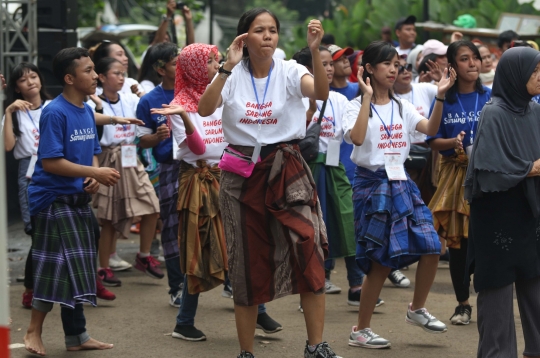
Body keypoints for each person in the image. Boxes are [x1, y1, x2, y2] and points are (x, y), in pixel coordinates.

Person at [198, 8, 340, 358]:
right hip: (242, 173)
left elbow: (319, 92)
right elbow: (204, 109)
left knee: (309, 248)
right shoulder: (230, 74)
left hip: (287, 166)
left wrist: (315, 50)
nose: (267, 36)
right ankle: (246, 352)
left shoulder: (292, 69)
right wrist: (226, 66)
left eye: (272, 30)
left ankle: (315, 346)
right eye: (259, 30)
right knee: (247, 262)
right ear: (244, 38)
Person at [342, 40, 455, 348]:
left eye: (398, 65)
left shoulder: (402, 107)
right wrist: (366, 98)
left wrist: (441, 95)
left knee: (432, 244)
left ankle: (417, 308)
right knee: (380, 261)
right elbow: (357, 137)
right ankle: (360, 329)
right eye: (388, 64)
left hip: (401, 181)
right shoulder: (352, 106)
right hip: (371, 184)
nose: (395, 70)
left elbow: (430, 128)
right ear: (369, 69)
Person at [23, 47, 119, 356]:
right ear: (69, 78)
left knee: (78, 267)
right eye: (88, 71)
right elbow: (50, 162)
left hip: (76, 198)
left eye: (94, 69)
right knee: (55, 268)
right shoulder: (55, 111)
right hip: (51, 199)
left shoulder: (87, 112)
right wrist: (94, 171)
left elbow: (91, 149)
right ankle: (32, 331)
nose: (95, 76)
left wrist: (91, 176)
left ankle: (77, 336)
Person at [464, 46, 540, 358]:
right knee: (496, 289)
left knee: (535, 283)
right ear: (515, 75)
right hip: (497, 212)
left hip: (530, 208)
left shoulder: (534, 109)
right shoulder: (493, 113)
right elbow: (487, 172)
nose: (539, 77)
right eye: (534, 71)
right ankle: (497, 353)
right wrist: (530, 168)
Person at [294, 46, 383, 308]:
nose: (329, 69)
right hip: (307, 171)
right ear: (306, 70)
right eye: (322, 64)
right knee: (311, 231)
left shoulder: (340, 100)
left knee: (349, 222)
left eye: (330, 64)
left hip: (336, 169)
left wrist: (367, 104)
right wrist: (309, 111)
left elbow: (352, 134)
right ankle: (310, 288)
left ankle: (356, 286)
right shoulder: (296, 97)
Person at [427, 40, 491, 326]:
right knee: (458, 244)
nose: (473, 63)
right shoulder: (444, 100)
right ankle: (462, 304)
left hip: (489, 175)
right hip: (455, 177)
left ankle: (490, 300)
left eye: (475, 58)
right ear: (452, 66)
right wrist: (453, 142)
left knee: (488, 238)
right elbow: (433, 141)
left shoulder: (492, 97)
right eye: (465, 59)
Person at [88, 57, 163, 287]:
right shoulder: (93, 103)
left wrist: (141, 95)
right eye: (116, 73)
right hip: (109, 157)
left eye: (123, 73)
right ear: (101, 77)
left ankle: (143, 256)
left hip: (131, 156)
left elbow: (146, 111)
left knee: (152, 206)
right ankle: (102, 268)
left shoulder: (129, 98)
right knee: (109, 217)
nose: (122, 77)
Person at [137, 41, 185, 307]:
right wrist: (157, 136)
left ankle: (226, 281)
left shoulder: (195, 92)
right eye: (175, 63)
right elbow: (142, 141)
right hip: (168, 168)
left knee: (213, 221)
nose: (181, 67)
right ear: (160, 69)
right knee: (171, 228)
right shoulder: (149, 101)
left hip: (199, 167)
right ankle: (177, 286)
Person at [3, 63, 52, 309]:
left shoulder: (53, 107)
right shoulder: (14, 112)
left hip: (55, 168)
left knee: (56, 227)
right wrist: (10, 112)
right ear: (17, 88)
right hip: (28, 173)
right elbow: (9, 147)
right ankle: (31, 288)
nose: (31, 82)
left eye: (34, 76)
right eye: (24, 80)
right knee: (36, 232)